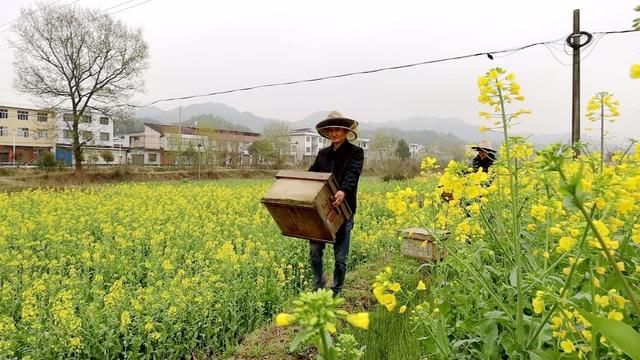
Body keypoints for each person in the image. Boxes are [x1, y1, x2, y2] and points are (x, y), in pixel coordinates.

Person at [308, 111, 364, 297]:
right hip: (319, 212)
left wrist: (343, 191)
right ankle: (318, 287)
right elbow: (313, 174)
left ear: (346, 131)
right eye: (331, 130)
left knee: (340, 257)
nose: (334, 134)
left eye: (338, 129)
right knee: (315, 252)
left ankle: (336, 290)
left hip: (343, 210)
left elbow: (352, 174)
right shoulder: (323, 154)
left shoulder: (356, 152)